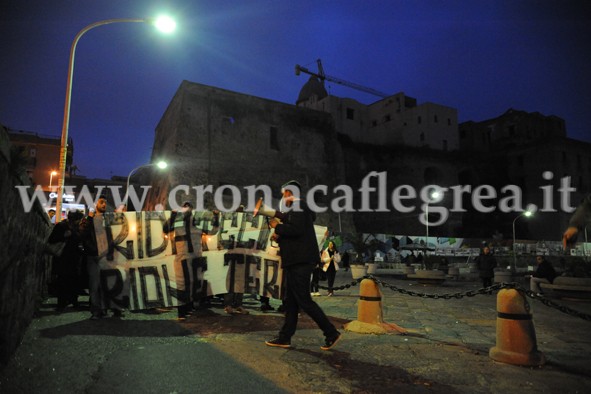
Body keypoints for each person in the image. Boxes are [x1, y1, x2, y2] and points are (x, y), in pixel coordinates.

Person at [265, 180, 341, 351]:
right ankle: (285, 337)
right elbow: (295, 231)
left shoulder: (299, 207)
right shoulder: (297, 210)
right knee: (291, 302)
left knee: (304, 301)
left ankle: (331, 332)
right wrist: (280, 233)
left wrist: (278, 228)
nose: (283, 197)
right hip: (295, 261)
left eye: (284, 194)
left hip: (300, 261)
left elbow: (296, 230)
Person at [163, 201, 220, 320]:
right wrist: (173, 216)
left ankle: (189, 307)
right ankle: (182, 312)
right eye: (185, 209)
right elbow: (166, 229)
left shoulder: (197, 227)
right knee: (182, 285)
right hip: (182, 259)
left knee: (193, 284)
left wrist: (216, 217)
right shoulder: (177, 226)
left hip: (195, 259)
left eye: (189, 209)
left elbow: (213, 231)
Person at [79, 195, 122, 319]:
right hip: (93, 257)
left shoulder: (108, 219)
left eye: (105, 202)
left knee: (108, 283)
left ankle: (107, 309)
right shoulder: (88, 220)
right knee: (94, 285)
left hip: (107, 256)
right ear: (95, 204)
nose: (104, 204)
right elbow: (83, 234)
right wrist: (90, 218)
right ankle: (96, 311)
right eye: (101, 202)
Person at [47, 210, 84, 311]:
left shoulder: (77, 228)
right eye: (79, 219)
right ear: (74, 219)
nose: (79, 222)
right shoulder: (61, 226)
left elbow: (78, 241)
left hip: (74, 259)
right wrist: (64, 236)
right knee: (63, 281)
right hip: (63, 259)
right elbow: (51, 240)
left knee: (73, 280)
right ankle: (61, 303)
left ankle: (73, 301)